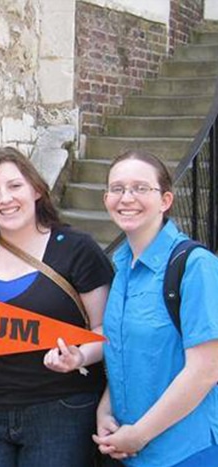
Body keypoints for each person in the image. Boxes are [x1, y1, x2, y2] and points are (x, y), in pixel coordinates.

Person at [0, 146, 114, 466]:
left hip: (59, 410)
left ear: (36, 190)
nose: (4, 198)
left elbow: (107, 332)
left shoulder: (77, 250)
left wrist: (80, 354)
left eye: (14, 186)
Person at [93, 150, 218, 466]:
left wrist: (140, 434)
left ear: (165, 200)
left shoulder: (196, 267)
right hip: (132, 449)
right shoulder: (120, 267)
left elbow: (205, 371)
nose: (127, 197)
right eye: (117, 188)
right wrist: (106, 409)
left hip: (185, 450)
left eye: (140, 188)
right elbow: (126, 354)